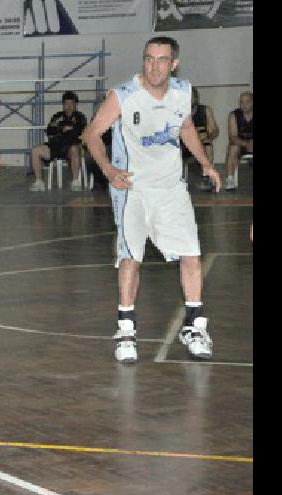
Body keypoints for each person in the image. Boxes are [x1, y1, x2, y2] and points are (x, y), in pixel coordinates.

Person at [82, 36, 221, 363]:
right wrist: (107, 168)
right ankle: (126, 329)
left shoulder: (183, 91)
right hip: (134, 189)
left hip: (172, 187)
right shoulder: (124, 95)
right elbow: (91, 134)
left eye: (162, 60)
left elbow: (186, 127)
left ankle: (194, 326)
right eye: (148, 59)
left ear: (174, 64)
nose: (154, 66)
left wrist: (205, 163)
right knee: (131, 257)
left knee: (191, 253)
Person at [29, 91, 87, 191]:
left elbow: (79, 132)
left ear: (75, 105)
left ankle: (75, 181)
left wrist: (67, 129)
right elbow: (49, 130)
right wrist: (62, 129)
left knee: (74, 148)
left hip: (70, 149)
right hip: (56, 146)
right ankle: (39, 182)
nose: (68, 106)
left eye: (71, 104)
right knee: (35, 150)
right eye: (66, 104)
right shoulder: (57, 116)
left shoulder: (80, 117)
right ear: (63, 105)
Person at [181, 87, 217, 188]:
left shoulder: (205, 110)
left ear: (196, 98)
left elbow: (215, 130)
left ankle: (207, 179)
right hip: (182, 146)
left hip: (200, 145)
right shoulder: (178, 111)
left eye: (191, 96)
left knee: (208, 145)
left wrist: (209, 136)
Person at [223, 91, 253, 191]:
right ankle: (230, 180)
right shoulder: (233, 115)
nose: (244, 105)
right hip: (241, 144)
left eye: (247, 102)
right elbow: (232, 136)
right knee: (233, 147)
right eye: (241, 102)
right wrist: (246, 144)